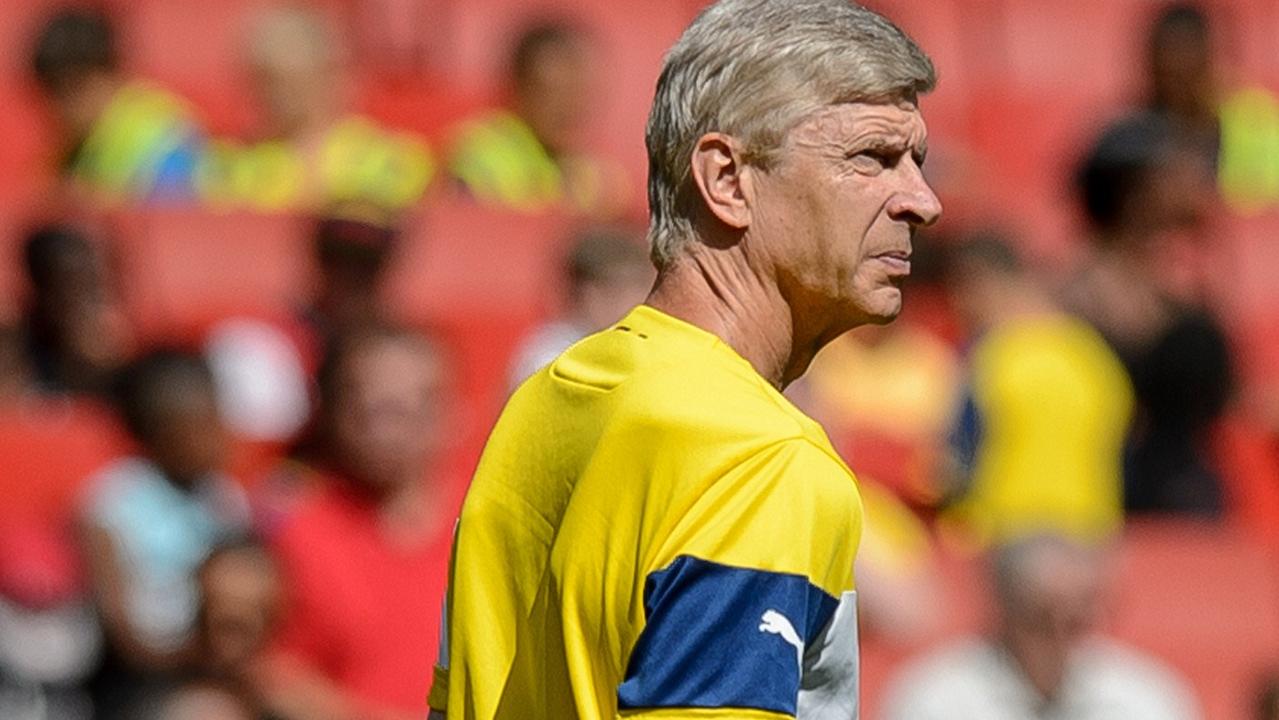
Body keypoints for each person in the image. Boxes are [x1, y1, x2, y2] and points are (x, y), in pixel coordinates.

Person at [429, 1, 941, 718]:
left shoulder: (548, 399)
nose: (922, 201)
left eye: (914, 162)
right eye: (873, 159)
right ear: (727, 180)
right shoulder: (759, 459)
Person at [259, 327, 455, 720]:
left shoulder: (489, 516)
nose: (385, 429)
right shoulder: (292, 527)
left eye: (405, 409)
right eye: (369, 408)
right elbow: (270, 673)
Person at [1067, 116, 1235, 517]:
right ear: (1134, 193)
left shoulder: (1183, 295)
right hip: (1104, 483)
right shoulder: (1079, 293)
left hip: (1183, 492)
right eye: (1170, 173)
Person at [79, 350, 249, 720]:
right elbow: (121, 630)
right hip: (138, 680)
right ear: (152, 435)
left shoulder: (224, 498)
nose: (214, 441)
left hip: (209, 668)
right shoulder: (110, 505)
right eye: (195, 430)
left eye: (215, 423)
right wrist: (190, 656)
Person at [942, 232, 1134, 546]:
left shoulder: (988, 357)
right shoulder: (1096, 359)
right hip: (1089, 536)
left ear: (978, 284)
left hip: (1001, 537)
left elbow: (957, 462)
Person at [880, 534, 1201, 720]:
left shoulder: (1144, 695)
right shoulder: (935, 696)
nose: (1060, 638)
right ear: (1003, 610)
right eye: (1041, 618)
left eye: (1077, 620)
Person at [196, 7, 433, 213]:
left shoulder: (387, 161)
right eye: (268, 80)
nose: (280, 96)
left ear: (331, 75)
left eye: (292, 80)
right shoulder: (230, 168)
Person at [445, 20, 627, 215]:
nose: (571, 108)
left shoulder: (597, 176)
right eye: (556, 92)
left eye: (580, 94)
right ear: (519, 88)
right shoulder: (480, 156)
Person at [30, 7, 204, 204]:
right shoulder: (73, 149)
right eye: (52, 92)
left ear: (113, 72)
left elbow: (174, 209)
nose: (63, 107)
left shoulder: (162, 134)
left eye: (76, 88)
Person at [506, 225, 653, 388]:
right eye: (619, 289)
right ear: (587, 293)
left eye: (640, 286)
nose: (634, 300)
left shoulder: (641, 346)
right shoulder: (549, 356)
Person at [22, 224, 132, 398]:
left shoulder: (135, 369)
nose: (89, 298)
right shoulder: (20, 363)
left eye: (94, 282)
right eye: (71, 284)